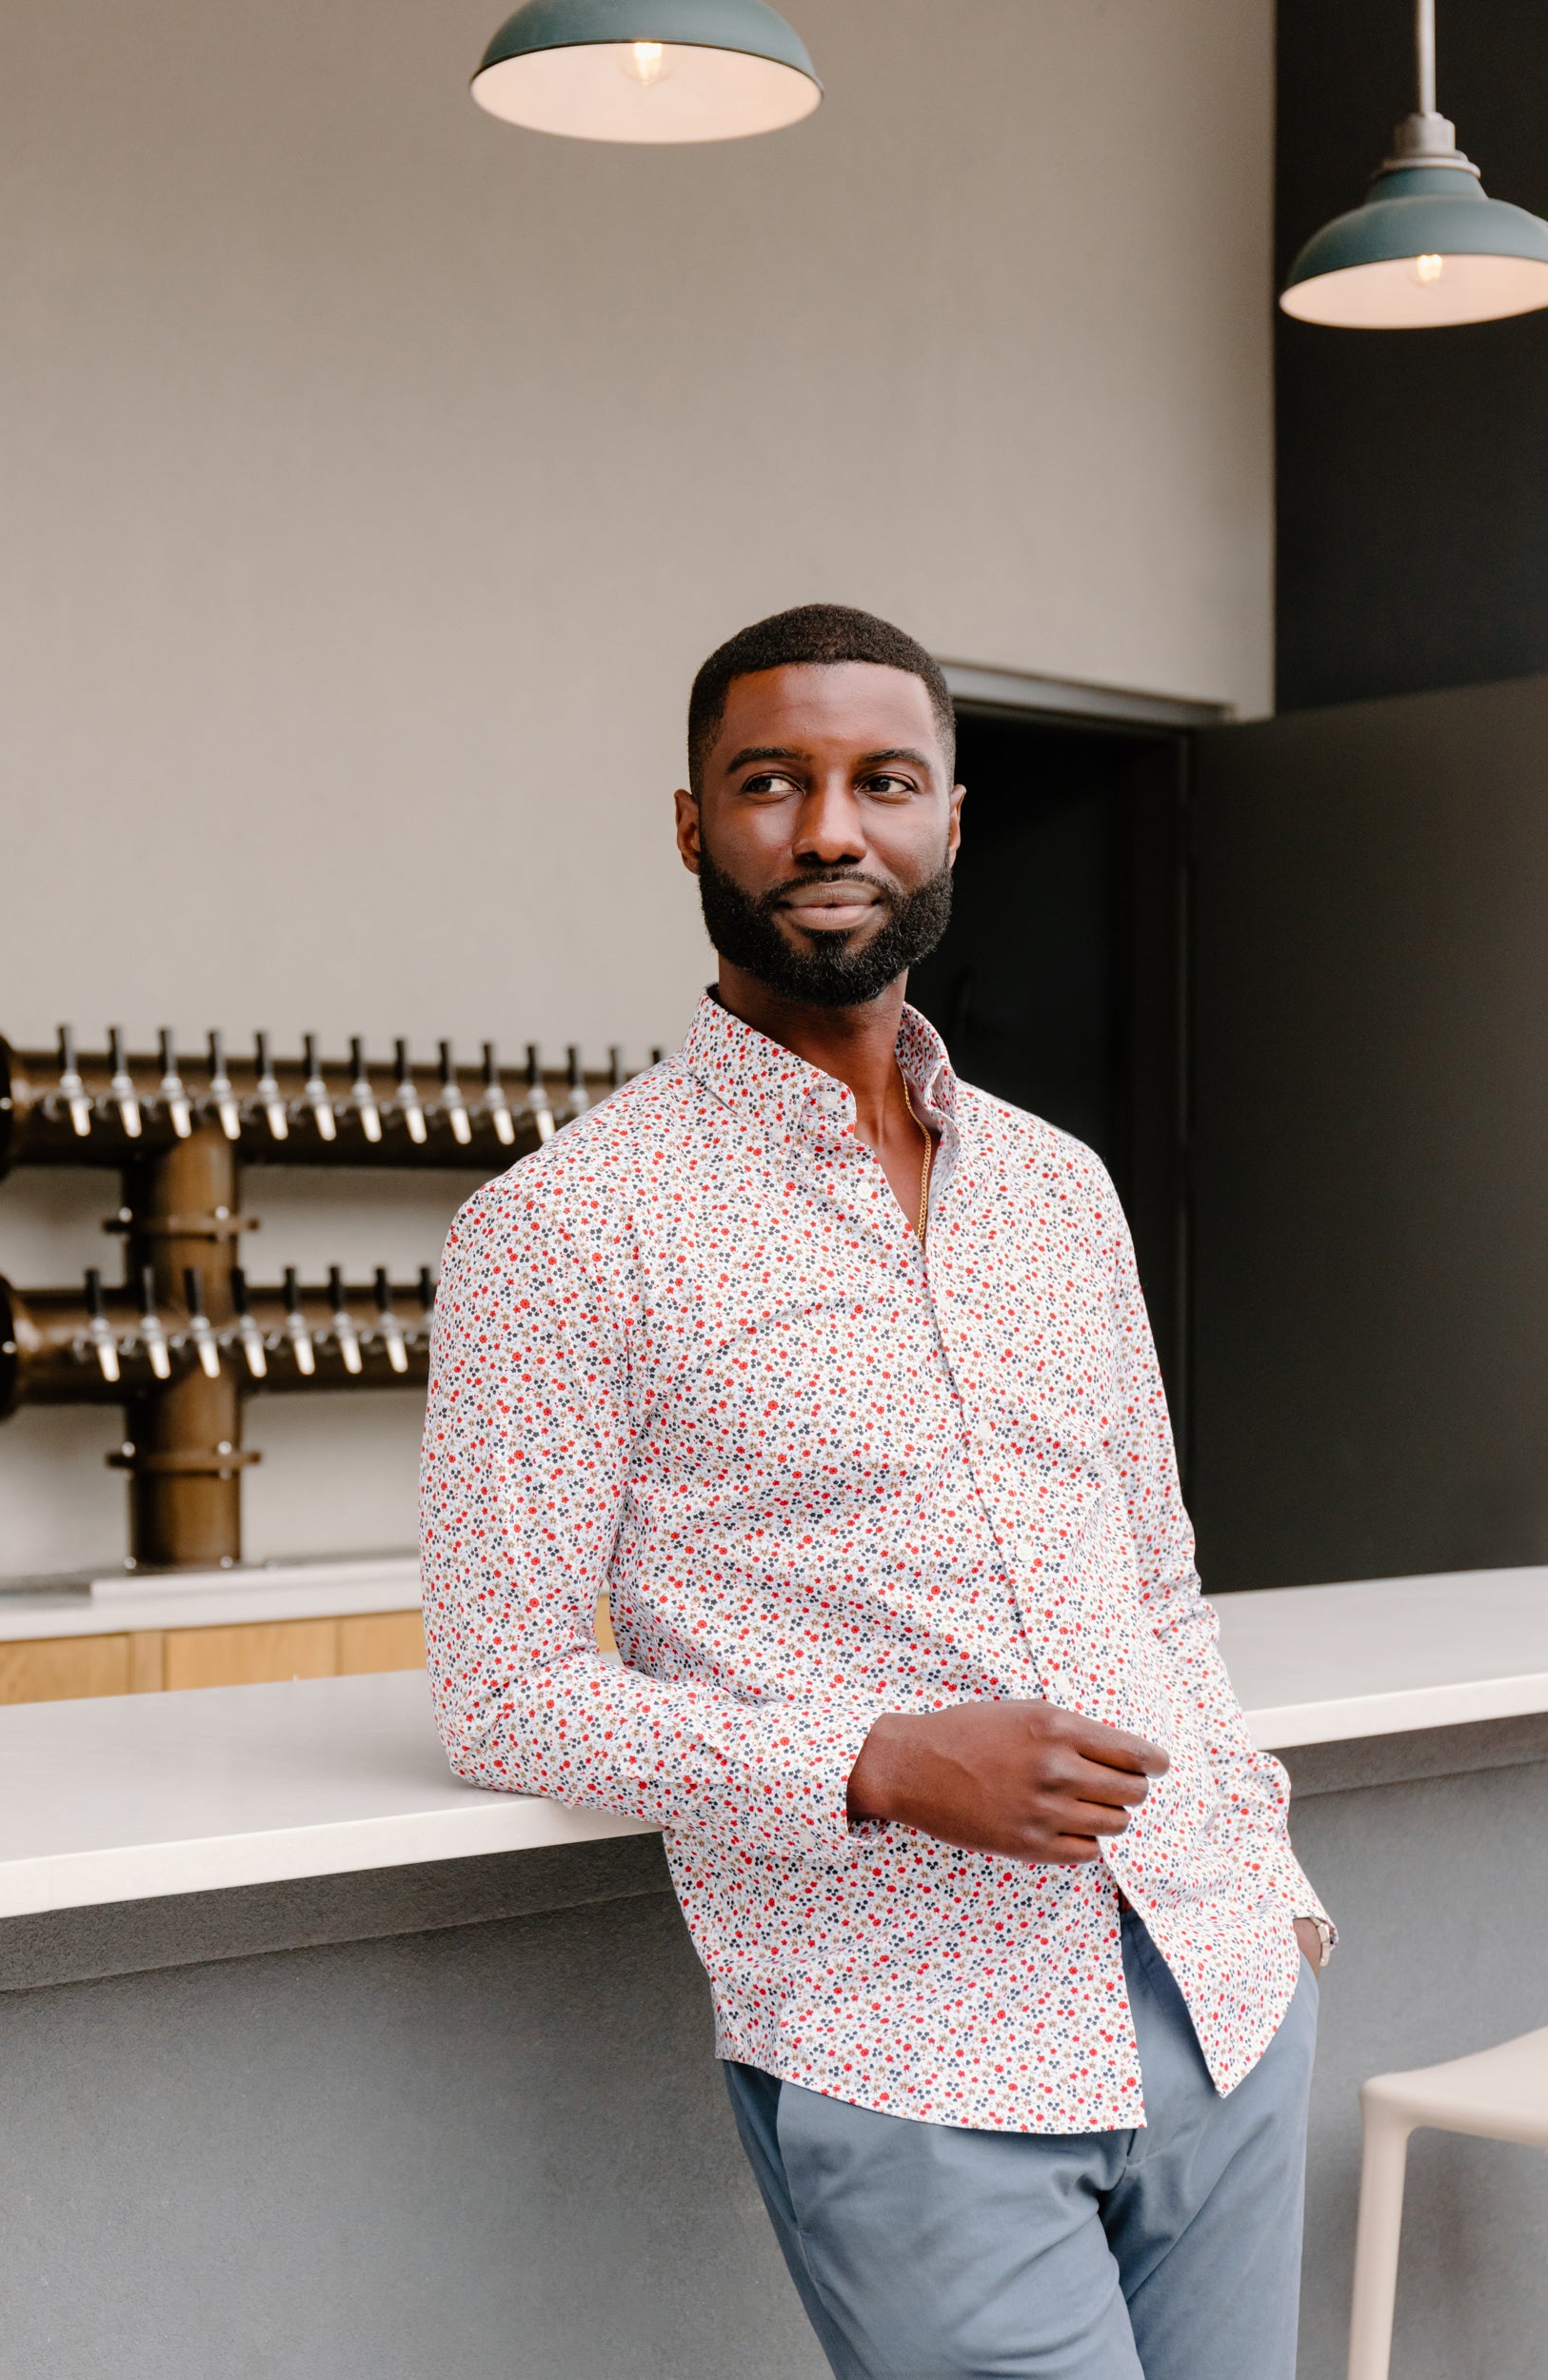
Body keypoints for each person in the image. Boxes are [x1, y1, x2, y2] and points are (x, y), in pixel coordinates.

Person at [420, 604, 1333, 2380]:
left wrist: (1271, 1881)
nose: (830, 828)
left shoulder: (1063, 1192)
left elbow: (1158, 1585)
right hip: (909, 2063)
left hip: (1221, 2005)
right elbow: (503, 1690)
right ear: (694, 826)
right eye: (772, 782)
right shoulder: (561, 1230)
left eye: (881, 781)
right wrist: (879, 1761)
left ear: (951, 823)